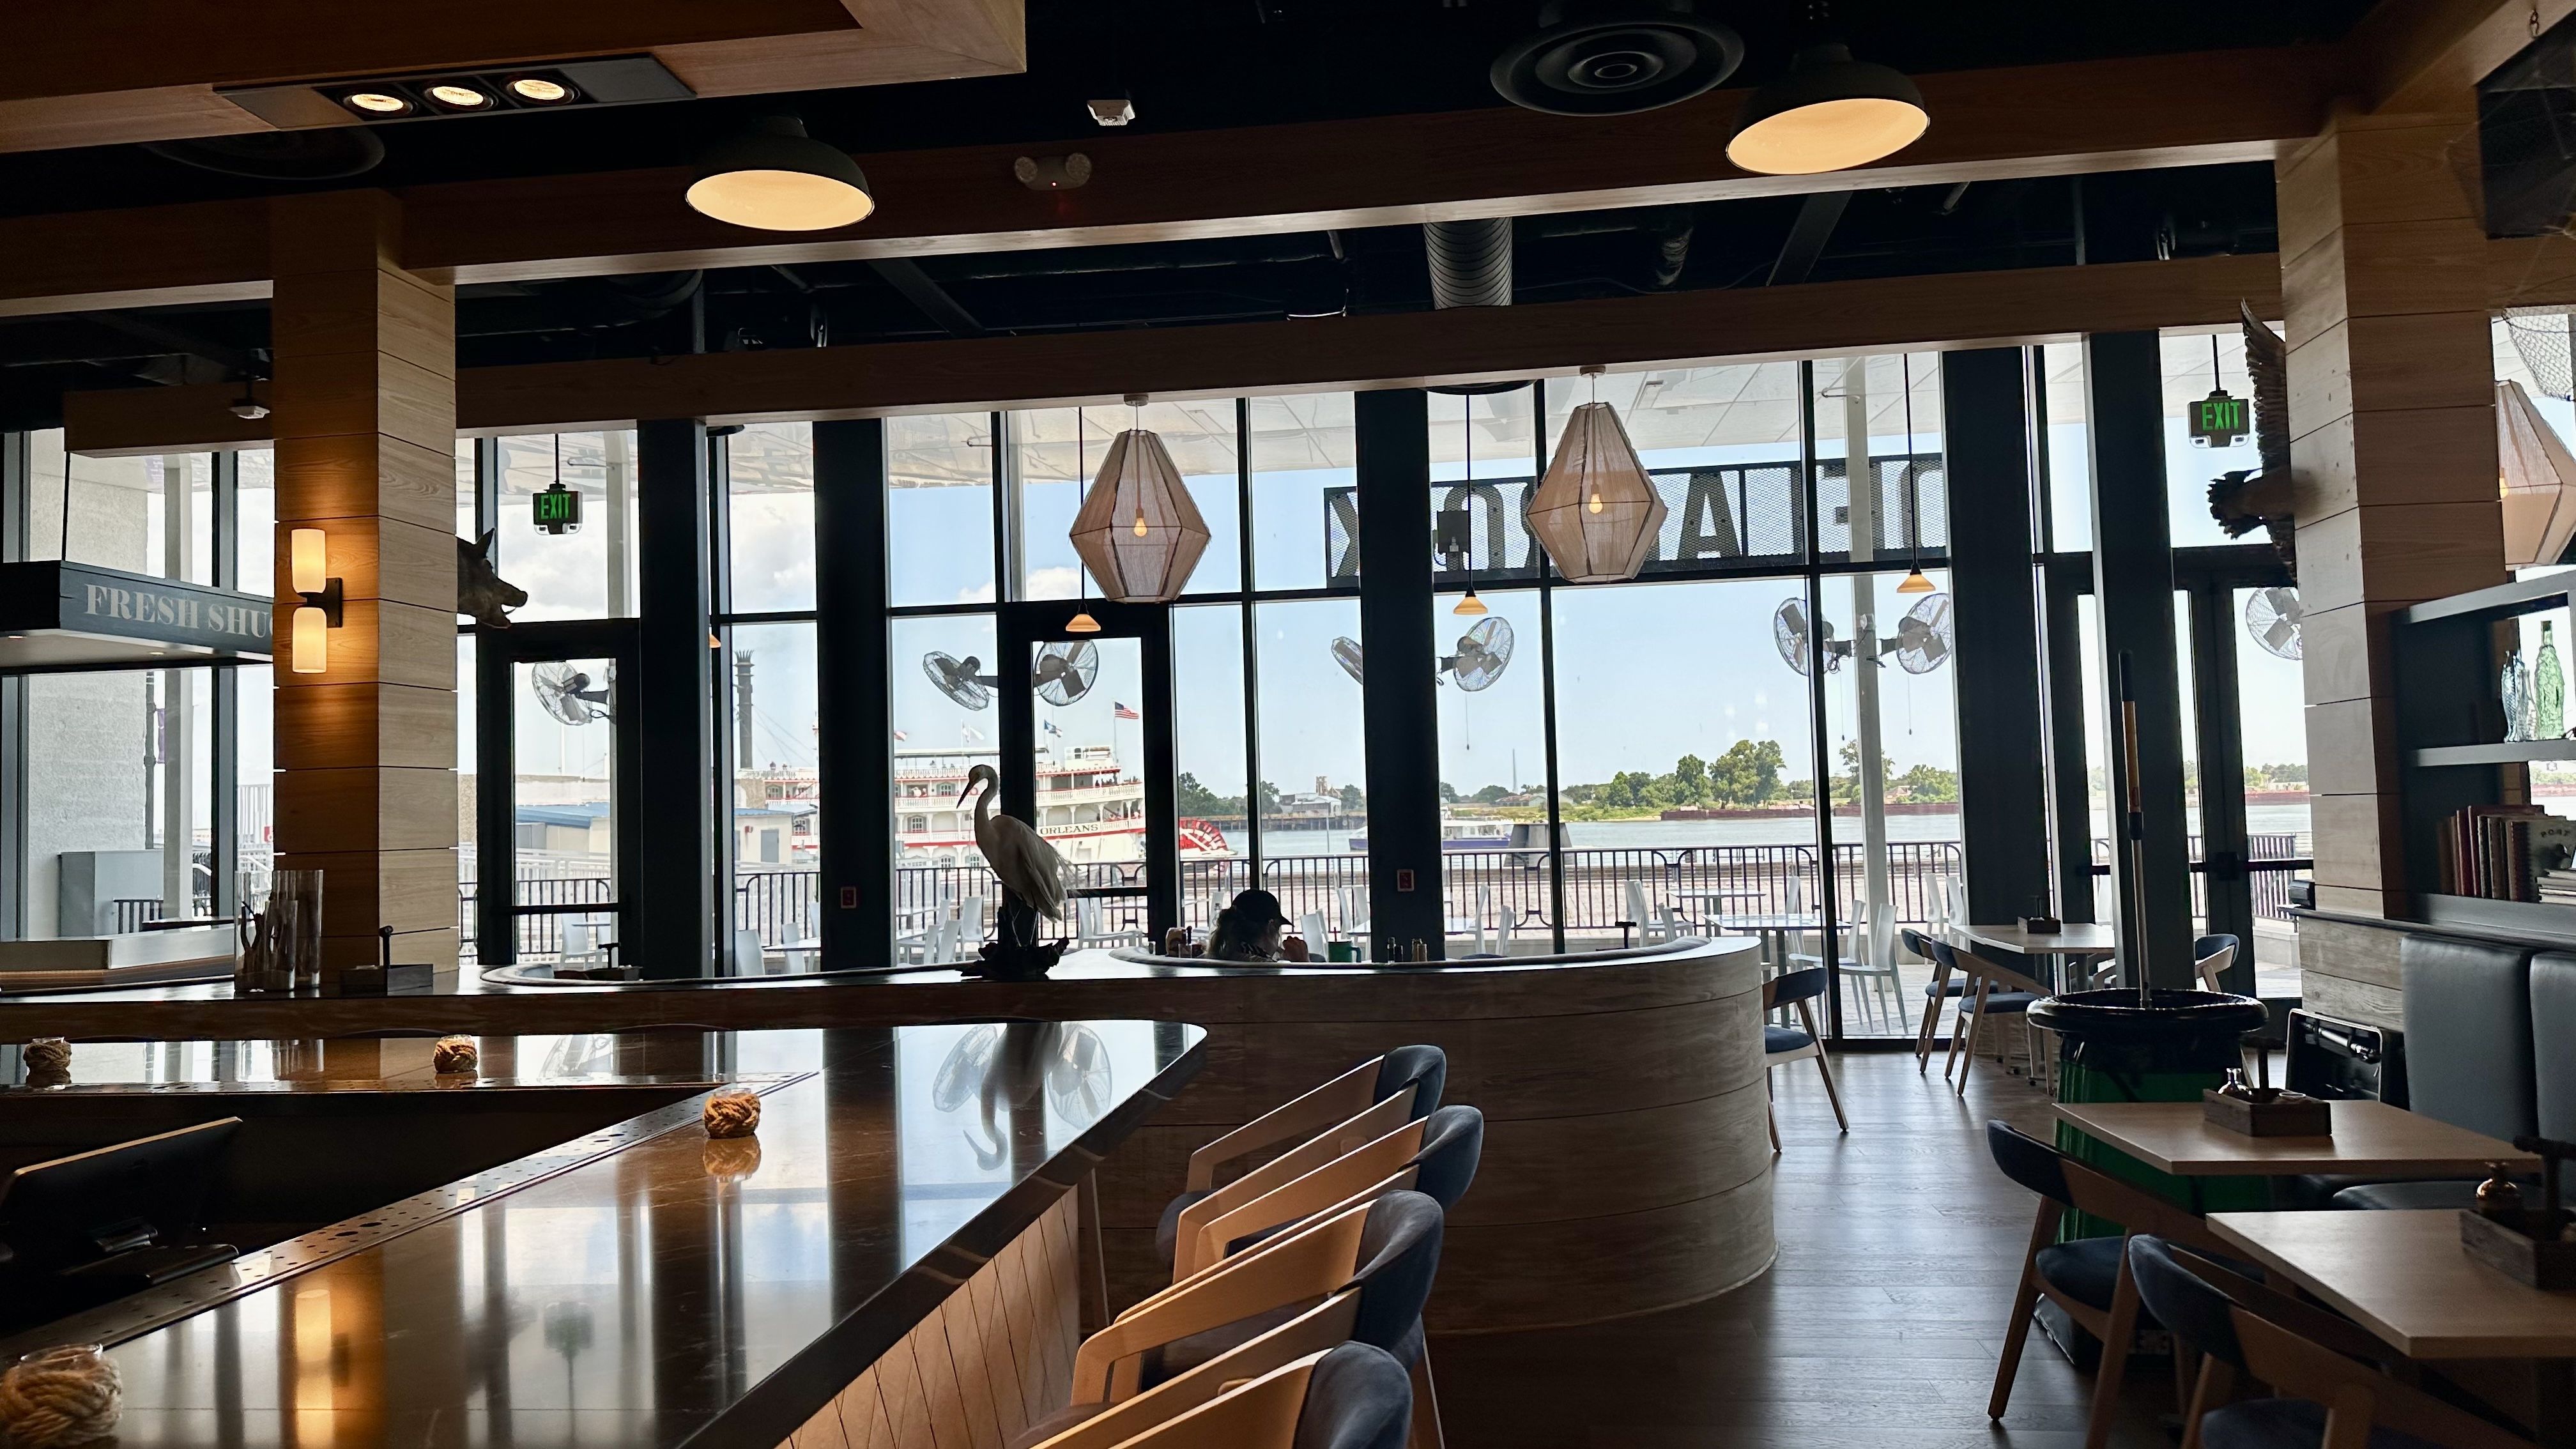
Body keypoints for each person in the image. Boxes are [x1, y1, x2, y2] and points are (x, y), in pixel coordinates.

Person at [1206, 887, 1289, 962]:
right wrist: (1299, 961)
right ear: (1270, 927)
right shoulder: (1267, 968)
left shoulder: (1213, 959)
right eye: (1278, 928)